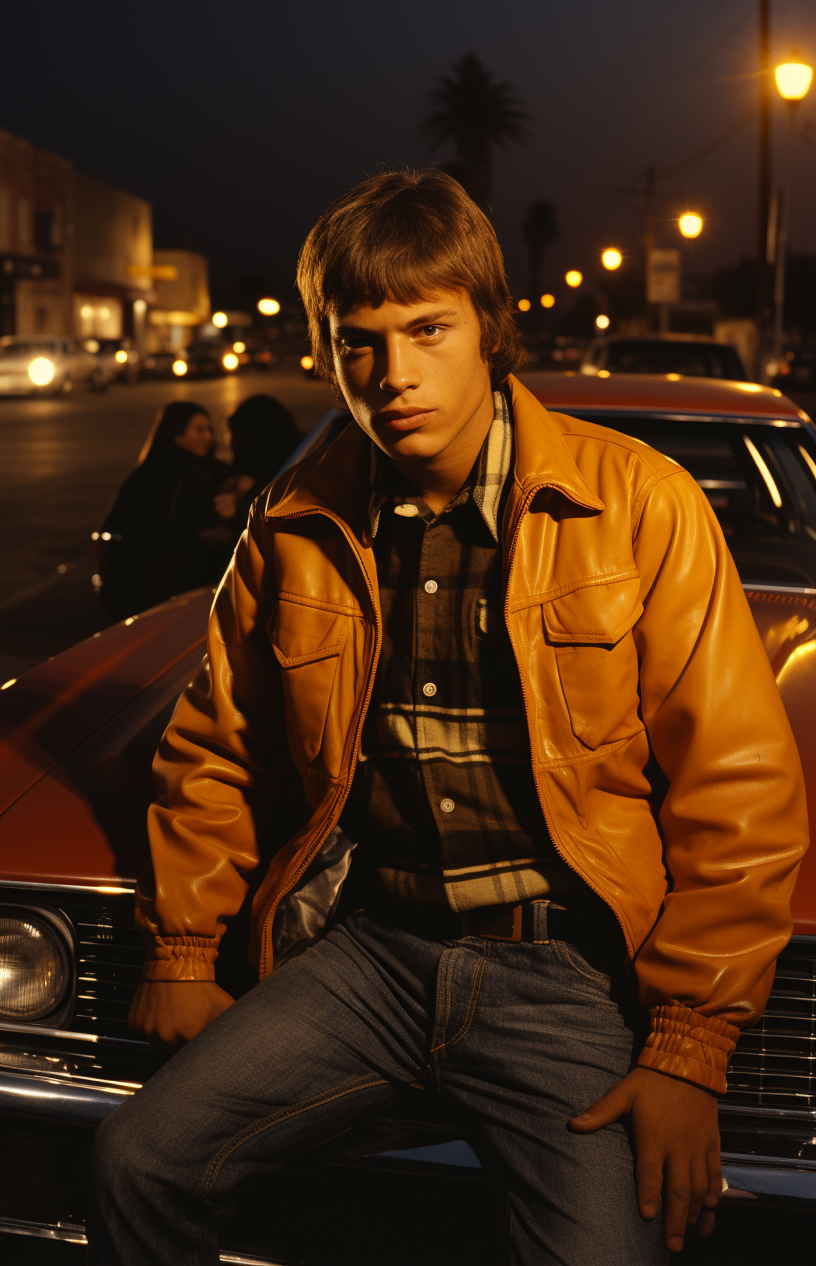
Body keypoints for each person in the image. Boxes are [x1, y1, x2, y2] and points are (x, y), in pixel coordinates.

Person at [90, 171, 807, 1264]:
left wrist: (685, 1052)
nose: (394, 374)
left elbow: (739, 786)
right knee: (137, 1158)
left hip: (563, 974)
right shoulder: (293, 523)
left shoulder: (639, 502)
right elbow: (216, 743)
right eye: (360, 340)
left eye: (428, 328)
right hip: (372, 953)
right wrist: (183, 948)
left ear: (491, 330)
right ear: (329, 352)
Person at [97, 400, 229, 621]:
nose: (208, 437)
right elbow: (175, 522)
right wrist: (217, 514)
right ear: (176, 434)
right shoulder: (164, 473)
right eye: (199, 429)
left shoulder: (200, 468)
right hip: (151, 583)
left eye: (209, 429)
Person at [213, 393, 301, 535]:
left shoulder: (285, 481)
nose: (231, 443)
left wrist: (243, 501)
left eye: (237, 435)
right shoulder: (301, 454)